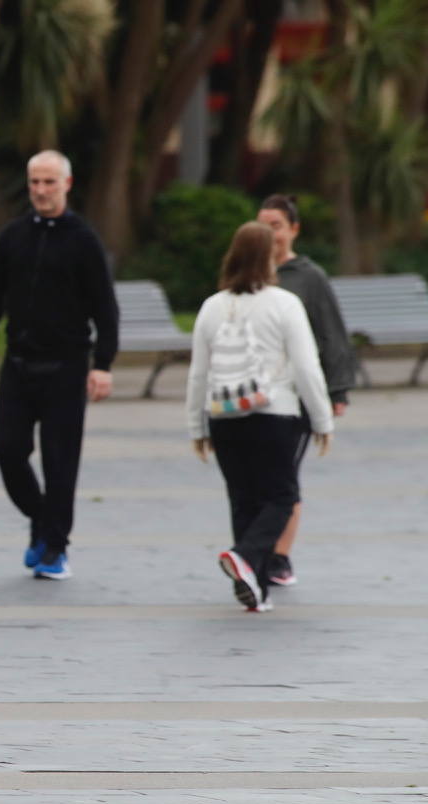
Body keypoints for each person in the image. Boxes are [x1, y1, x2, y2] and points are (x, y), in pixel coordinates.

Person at [0, 149, 119, 581]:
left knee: (60, 462)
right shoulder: (14, 236)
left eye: (49, 182)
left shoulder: (83, 240)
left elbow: (105, 307)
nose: (41, 190)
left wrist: (103, 363)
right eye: (35, 182)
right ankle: (44, 520)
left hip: (66, 367)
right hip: (19, 365)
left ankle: (55, 549)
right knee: (6, 448)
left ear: (67, 184)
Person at [185, 222, 333, 612]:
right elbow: (307, 367)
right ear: (269, 259)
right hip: (274, 414)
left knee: (243, 498)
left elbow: (198, 373)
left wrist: (197, 426)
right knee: (282, 496)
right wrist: (322, 421)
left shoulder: (211, 307)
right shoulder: (284, 304)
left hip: (223, 415)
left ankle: (255, 587)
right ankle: (246, 557)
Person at [255, 194, 355, 587]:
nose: (270, 234)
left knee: (285, 476)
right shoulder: (249, 270)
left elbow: (332, 333)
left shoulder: (309, 277)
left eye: (276, 226)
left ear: (294, 229)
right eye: (262, 226)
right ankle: (256, 550)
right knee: (256, 478)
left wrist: (337, 390)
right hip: (254, 394)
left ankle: (280, 556)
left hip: (295, 395)